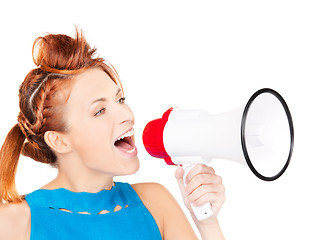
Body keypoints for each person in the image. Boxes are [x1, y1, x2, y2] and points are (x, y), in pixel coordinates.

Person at [0, 28, 225, 240]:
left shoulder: (155, 203)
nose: (127, 115)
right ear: (59, 140)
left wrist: (207, 222)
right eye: (99, 111)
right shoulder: (14, 222)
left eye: (120, 100)